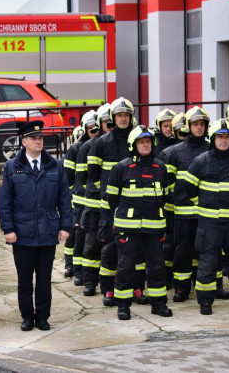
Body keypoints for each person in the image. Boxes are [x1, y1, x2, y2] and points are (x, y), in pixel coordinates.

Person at [0, 120, 72, 331]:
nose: (39, 141)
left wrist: (65, 225)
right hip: (22, 233)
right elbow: (4, 202)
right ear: (24, 142)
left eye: (40, 138)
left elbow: (65, 198)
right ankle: (27, 316)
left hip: (47, 231)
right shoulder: (11, 167)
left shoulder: (55, 166)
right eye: (34, 138)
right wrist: (8, 229)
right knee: (24, 280)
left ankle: (43, 316)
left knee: (44, 279)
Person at [179, 119, 229, 315]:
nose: (224, 141)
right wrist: (203, 204)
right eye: (220, 137)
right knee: (208, 263)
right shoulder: (201, 161)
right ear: (213, 139)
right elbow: (189, 188)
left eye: (227, 137)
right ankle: (205, 301)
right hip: (210, 223)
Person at [107, 126, 172, 320]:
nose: (145, 145)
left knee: (157, 266)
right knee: (125, 267)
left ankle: (159, 303)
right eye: (141, 142)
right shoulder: (121, 167)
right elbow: (112, 198)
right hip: (128, 228)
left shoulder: (160, 167)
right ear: (133, 145)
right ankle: (123, 305)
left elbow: (166, 196)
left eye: (148, 142)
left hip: (154, 227)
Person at [161, 106, 221, 302]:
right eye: (195, 124)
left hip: (208, 213)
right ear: (188, 126)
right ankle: (181, 288)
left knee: (210, 250)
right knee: (183, 252)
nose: (199, 128)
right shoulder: (174, 152)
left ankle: (214, 286)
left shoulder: (213, 150)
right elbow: (167, 185)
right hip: (183, 214)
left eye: (202, 124)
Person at [85, 97, 138, 306]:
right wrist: (108, 196)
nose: (123, 119)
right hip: (110, 208)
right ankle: (108, 289)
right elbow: (93, 174)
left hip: (134, 205)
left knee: (135, 250)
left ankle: (134, 287)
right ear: (112, 118)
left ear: (130, 117)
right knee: (109, 249)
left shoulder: (135, 140)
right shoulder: (101, 143)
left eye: (126, 115)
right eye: (119, 115)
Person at [71, 104, 110, 286]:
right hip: (92, 201)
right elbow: (80, 176)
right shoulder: (87, 146)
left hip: (112, 204)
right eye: (105, 121)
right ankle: (86, 278)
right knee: (88, 242)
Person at [62, 110, 96, 278]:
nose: (94, 132)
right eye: (91, 129)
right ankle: (71, 265)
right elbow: (67, 175)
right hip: (78, 196)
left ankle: (81, 268)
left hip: (92, 197)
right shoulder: (76, 148)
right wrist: (69, 195)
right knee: (75, 232)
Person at [155, 111, 187, 281]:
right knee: (168, 243)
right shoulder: (164, 151)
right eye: (165, 126)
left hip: (189, 208)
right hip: (169, 207)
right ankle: (167, 276)